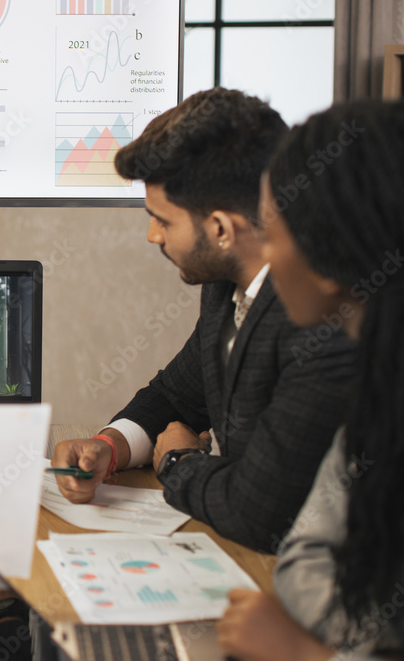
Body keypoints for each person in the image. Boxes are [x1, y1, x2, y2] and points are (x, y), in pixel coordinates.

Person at [51, 87, 355, 553]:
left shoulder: (317, 318)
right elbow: (177, 395)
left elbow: (260, 510)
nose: (152, 236)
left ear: (219, 229)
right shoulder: (224, 283)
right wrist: (108, 446)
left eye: (162, 220)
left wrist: (178, 460)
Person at [217, 101, 404, 660]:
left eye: (272, 233)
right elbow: (306, 551)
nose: (264, 257)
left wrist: (304, 655)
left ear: (327, 257)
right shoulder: (378, 380)